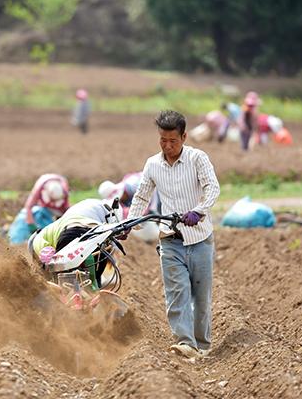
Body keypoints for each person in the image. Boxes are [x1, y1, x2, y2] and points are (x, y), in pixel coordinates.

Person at [126, 110, 220, 358]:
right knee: (177, 292)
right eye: (163, 140)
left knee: (200, 297)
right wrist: (129, 223)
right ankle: (185, 343)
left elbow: (212, 188)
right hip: (170, 238)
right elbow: (142, 195)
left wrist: (199, 211)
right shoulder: (152, 165)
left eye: (173, 141)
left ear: (184, 137)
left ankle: (202, 345)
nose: (167, 146)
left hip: (199, 238)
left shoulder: (198, 159)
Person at [29, 198, 119, 288]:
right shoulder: (51, 228)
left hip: (71, 233)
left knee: (65, 284)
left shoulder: (38, 240)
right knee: (93, 283)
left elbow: (47, 255)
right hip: (97, 233)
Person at [8, 174, 70, 244]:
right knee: (28, 217)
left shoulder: (64, 190)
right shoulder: (39, 188)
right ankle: (16, 242)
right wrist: (31, 224)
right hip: (40, 209)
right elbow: (28, 207)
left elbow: (66, 210)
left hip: (51, 214)